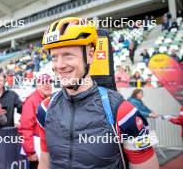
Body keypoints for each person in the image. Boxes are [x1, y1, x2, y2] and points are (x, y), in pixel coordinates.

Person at [37, 17, 159, 169]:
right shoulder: (45, 109)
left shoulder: (124, 113)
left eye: (68, 54)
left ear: (90, 55)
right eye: (54, 57)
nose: (59, 65)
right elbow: (44, 163)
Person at [19, 74, 53, 169]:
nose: (47, 85)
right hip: (37, 148)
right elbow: (26, 127)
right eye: (43, 83)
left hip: (48, 147)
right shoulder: (32, 100)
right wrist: (31, 151)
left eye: (49, 82)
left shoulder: (51, 99)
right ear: (38, 85)